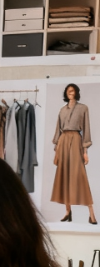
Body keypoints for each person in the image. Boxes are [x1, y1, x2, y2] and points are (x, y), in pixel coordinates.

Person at [51, 82, 96, 224]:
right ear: (66, 93)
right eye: (68, 91)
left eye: (72, 90)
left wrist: (85, 152)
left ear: (76, 92)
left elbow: (86, 129)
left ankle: (91, 214)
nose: (70, 92)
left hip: (76, 140)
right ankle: (68, 211)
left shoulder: (83, 108)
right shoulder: (62, 110)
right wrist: (56, 152)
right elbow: (58, 130)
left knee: (79, 175)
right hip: (63, 141)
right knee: (64, 174)